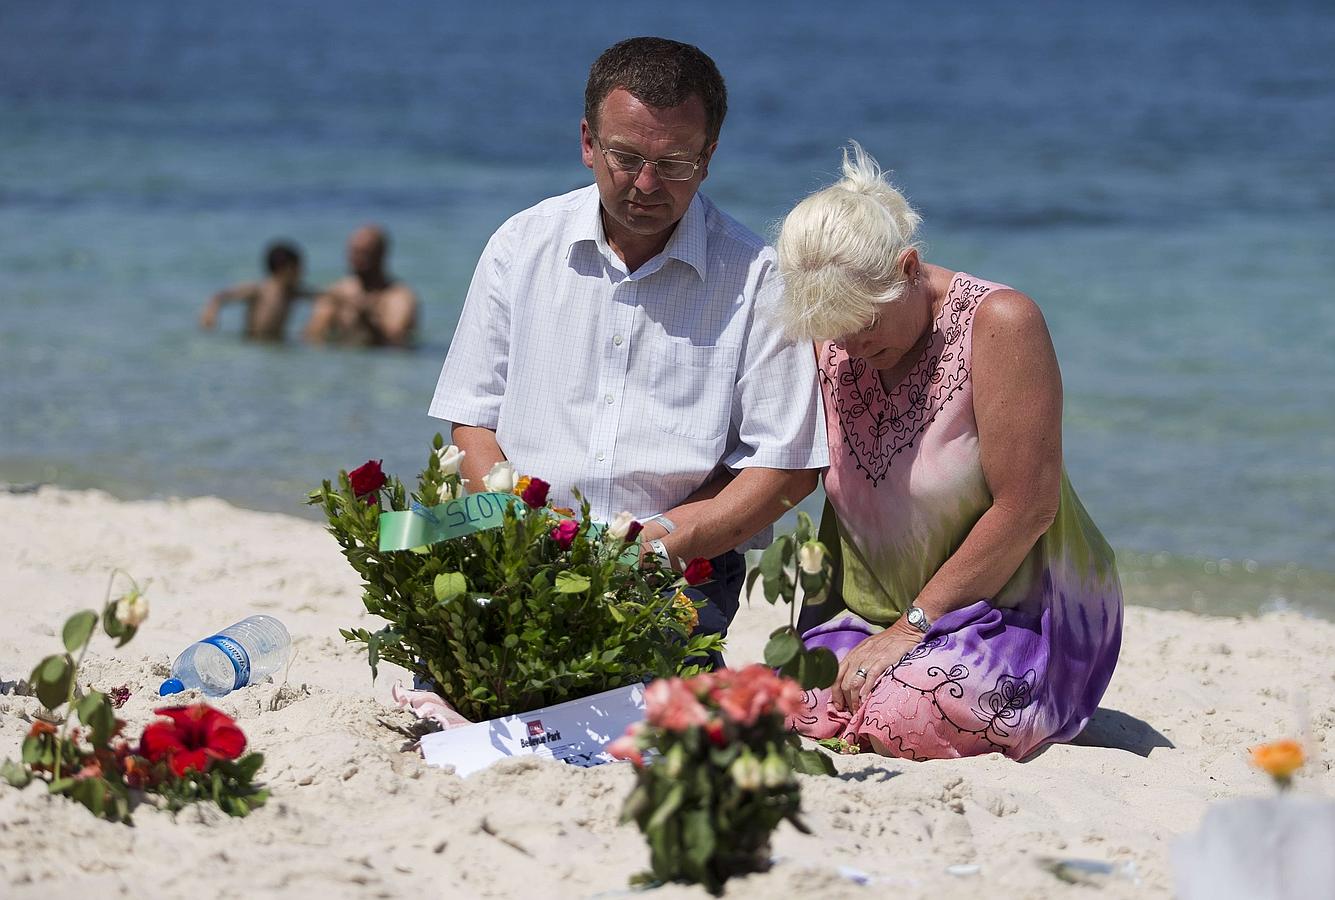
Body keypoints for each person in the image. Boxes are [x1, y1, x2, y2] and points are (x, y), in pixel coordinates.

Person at [429, 37, 827, 657]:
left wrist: (676, 535)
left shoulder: (757, 276)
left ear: (709, 156)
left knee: (622, 687)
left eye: (674, 164)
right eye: (625, 157)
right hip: (519, 536)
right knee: (464, 674)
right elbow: (473, 420)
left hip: (680, 558)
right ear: (588, 143)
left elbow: (790, 463)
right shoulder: (520, 246)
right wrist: (518, 529)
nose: (645, 184)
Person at [775, 143, 1122, 760]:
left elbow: (1028, 507)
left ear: (908, 268)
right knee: (780, 706)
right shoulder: (834, 335)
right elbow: (785, 471)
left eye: (865, 321)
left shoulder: (1001, 324)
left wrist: (911, 628)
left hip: (1018, 616)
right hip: (868, 615)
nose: (850, 344)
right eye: (836, 326)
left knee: (902, 715)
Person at [304, 225, 418, 347]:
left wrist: (367, 319)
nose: (358, 259)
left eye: (365, 253)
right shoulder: (336, 292)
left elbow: (396, 341)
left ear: (381, 255)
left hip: (383, 363)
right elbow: (313, 336)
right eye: (354, 252)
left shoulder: (399, 297)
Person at [199, 241, 311, 341]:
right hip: (253, 341)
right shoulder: (260, 289)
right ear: (285, 269)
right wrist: (210, 314)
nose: (301, 273)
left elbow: (318, 297)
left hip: (276, 343)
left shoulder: (292, 292)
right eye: (298, 269)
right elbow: (220, 297)